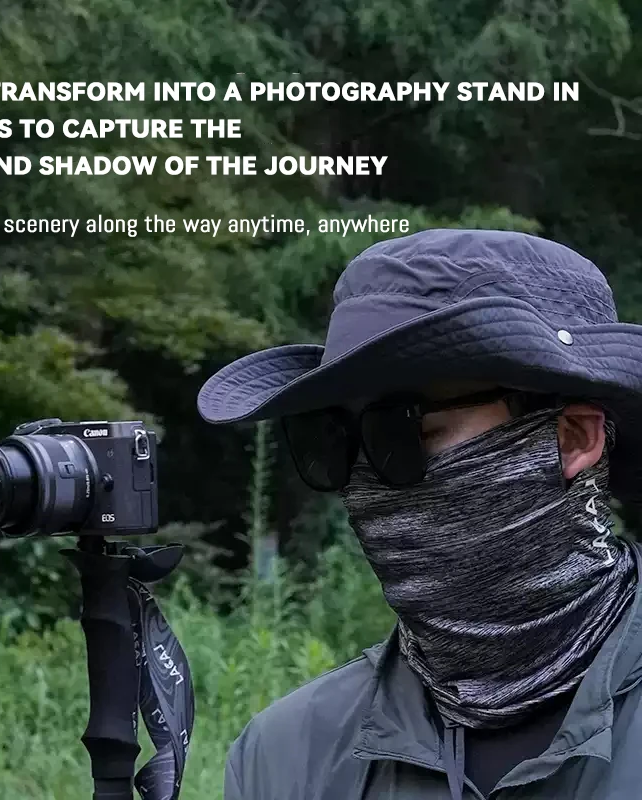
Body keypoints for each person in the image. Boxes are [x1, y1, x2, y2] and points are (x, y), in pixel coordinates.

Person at [197, 228, 642, 799]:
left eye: (404, 432)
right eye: (338, 445)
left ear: (574, 437)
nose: (368, 482)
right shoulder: (289, 756)